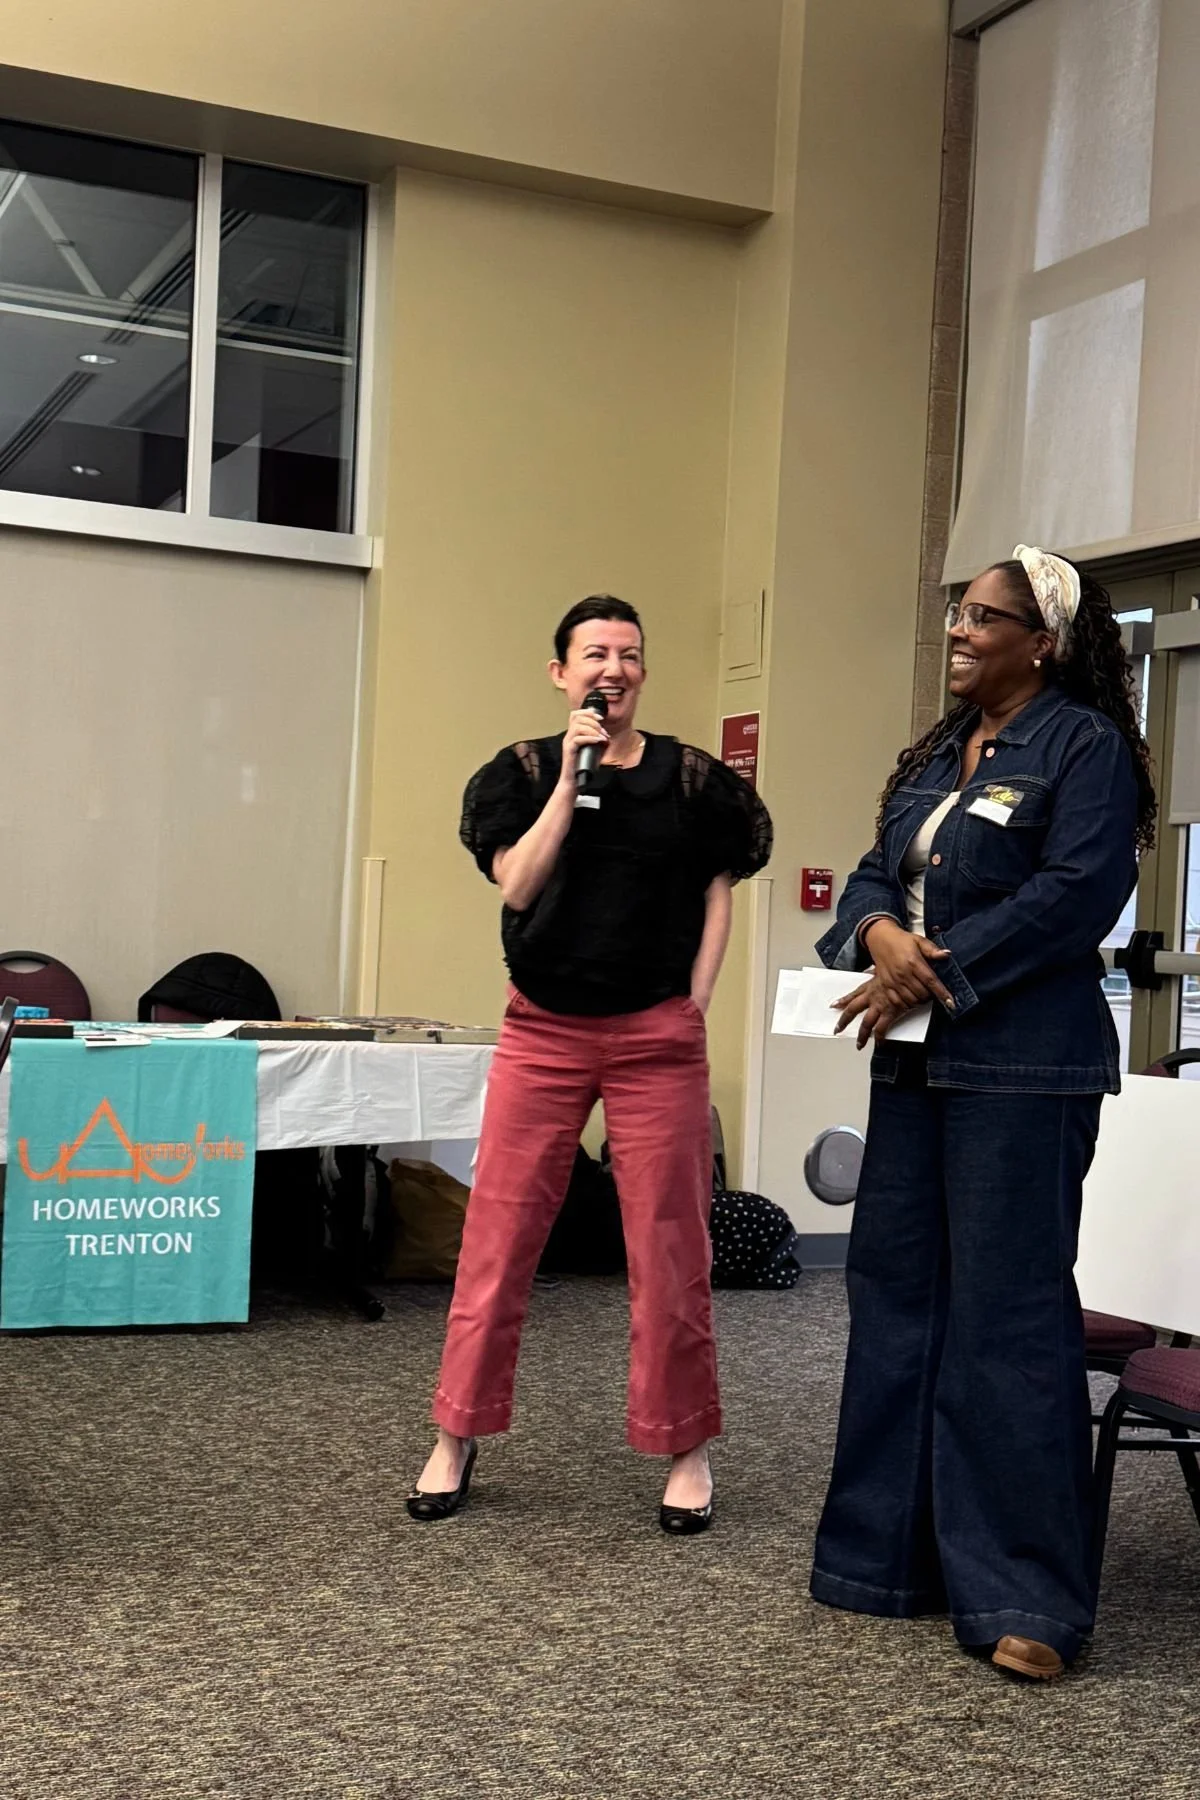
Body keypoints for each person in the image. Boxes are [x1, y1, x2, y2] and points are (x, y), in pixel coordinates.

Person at [809, 546, 1156, 1679]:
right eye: (956, 613)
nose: (957, 632)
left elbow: (1075, 898)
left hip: (1024, 1071)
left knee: (1006, 1323)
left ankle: (1029, 1602)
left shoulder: (1086, 747)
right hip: (912, 1070)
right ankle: (887, 1561)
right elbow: (873, 873)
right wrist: (877, 938)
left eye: (980, 617)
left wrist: (930, 966)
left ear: (1040, 641)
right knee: (897, 1302)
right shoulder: (933, 757)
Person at [407, 594, 772, 1532]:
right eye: (596, 654)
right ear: (561, 672)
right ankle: (456, 1435)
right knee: (497, 1241)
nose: (615, 668)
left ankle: (684, 1447)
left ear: (644, 671)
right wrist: (571, 780)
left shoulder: (696, 782)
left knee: (671, 1249)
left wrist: (694, 1004)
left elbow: (717, 894)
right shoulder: (523, 771)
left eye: (631, 654)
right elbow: (519, 884)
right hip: (542, 1033)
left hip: (657, 1039)